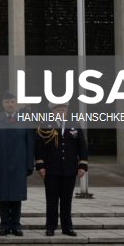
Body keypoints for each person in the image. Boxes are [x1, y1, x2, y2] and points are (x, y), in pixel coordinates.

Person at [35, 101, 88, 237]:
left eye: (63, 110)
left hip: (69, 169)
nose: (61, 112)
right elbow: (39, 147)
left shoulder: (74, 125)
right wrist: (40, 165)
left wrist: (82, 165)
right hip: (51, 169)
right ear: (52, 111)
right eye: (58, 110)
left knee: (66, 200)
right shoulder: (45, 125)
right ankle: (50, 226)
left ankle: (67, 227)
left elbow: (82, 146)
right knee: (51, 200)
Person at [0, 91, 33, 236]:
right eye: (7, 102)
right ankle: (4, 224)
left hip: (19, 163)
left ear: (16, 104)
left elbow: (30, 143)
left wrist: (29, 164)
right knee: (3, 195)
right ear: (3, 104)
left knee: (16, 195)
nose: (10, 104)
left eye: (12, 102)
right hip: (1, 163)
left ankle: (16, 224)